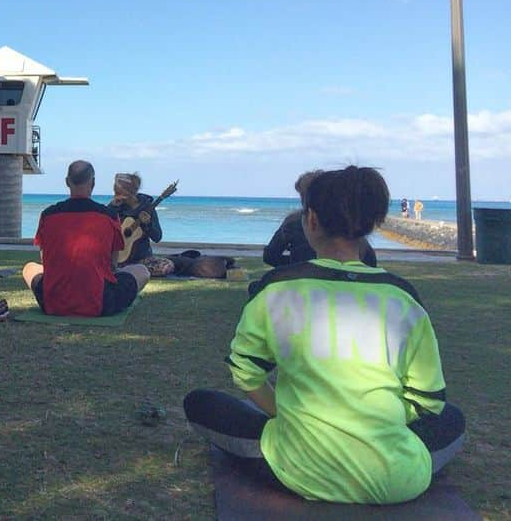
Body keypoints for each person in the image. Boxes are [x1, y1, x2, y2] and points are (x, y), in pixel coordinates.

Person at [184, 166, 465, 505]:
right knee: (452, 417)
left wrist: (281, 414)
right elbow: (428, 400)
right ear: (373, 223)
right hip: (395, 478)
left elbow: (245, 372)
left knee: (199, 403)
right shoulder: (403, 298)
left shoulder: (275, 291)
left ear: (311, 220)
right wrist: (373, 423)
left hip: (297, 469)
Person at [22, 161, 151, 317]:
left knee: (29, 268)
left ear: (67, 182)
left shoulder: (48, 215)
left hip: (54, 303)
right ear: (93, 183)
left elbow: (45, 261)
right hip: (99, 303)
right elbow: (113, 265)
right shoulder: (108, 216)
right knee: (141, 270)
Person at [263, 170, 377, 269]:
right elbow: (370, 259)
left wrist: (296, 266)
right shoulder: (344, 219)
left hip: (303, 280)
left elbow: (270, 256)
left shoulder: (293, 221)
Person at [105, 172, 173, 276]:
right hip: (116, 259)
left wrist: (148, 224)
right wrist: (112, 208)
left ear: (130, 192)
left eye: (119, 193)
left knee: (166, 266)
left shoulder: (148, 208)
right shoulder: (116, 206)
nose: (116, 196)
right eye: (116, 193)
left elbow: (157, 237)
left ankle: (126, 271)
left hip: (141, 259)